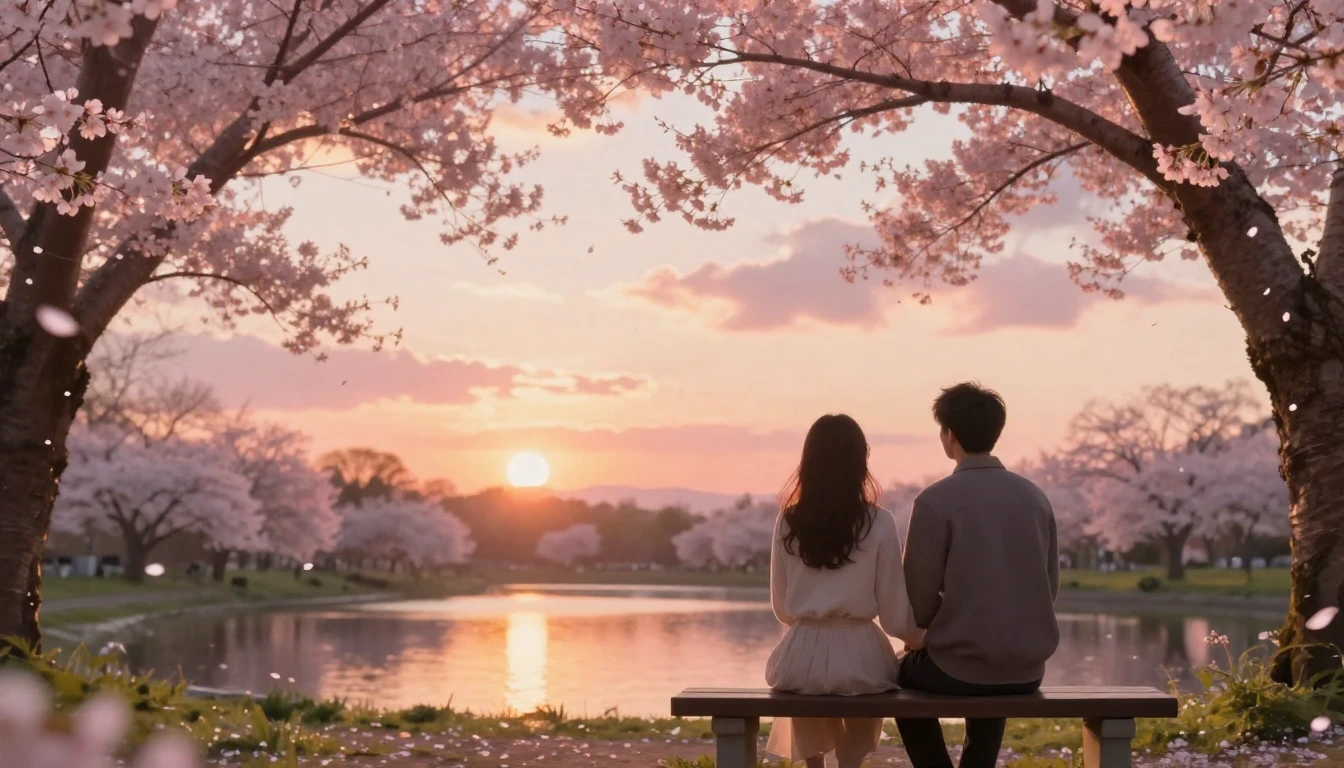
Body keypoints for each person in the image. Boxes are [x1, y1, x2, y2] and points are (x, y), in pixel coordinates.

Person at [896, 383, 1060, 768]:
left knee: (899, 679)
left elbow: (917, 596)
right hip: (1026, 669)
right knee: (992, 660)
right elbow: (1048, 586)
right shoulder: (1035, 497)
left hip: (957, 667)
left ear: (948, 434)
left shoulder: (936, 500)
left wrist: (924, 634)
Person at [765, 414, 925, 768]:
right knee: (868, 683)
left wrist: (813, 631)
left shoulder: (787, 521)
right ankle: (850, 764)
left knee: (807, 688)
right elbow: (895, 614)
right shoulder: (879, 522)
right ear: (860, 462)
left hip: (801, 654)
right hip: (860, 652)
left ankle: (814, 766)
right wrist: (922, 639)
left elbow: (782, 608)